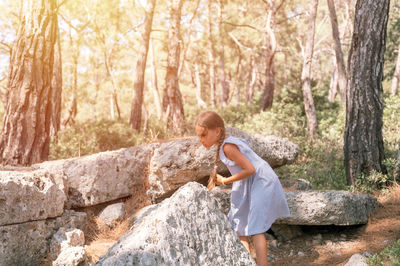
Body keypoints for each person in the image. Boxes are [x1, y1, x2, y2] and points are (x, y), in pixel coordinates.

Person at [195, 111, 290, 266]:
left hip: (261, 180)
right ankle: (245, 262)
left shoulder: (228, 147)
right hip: (248, 182)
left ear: (217, 131)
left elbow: (250, 169)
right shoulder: (222, 146)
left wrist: (225, 181)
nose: (201, 140)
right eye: (199, 136)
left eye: (204, 135)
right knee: (239, 225)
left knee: (255, 228)